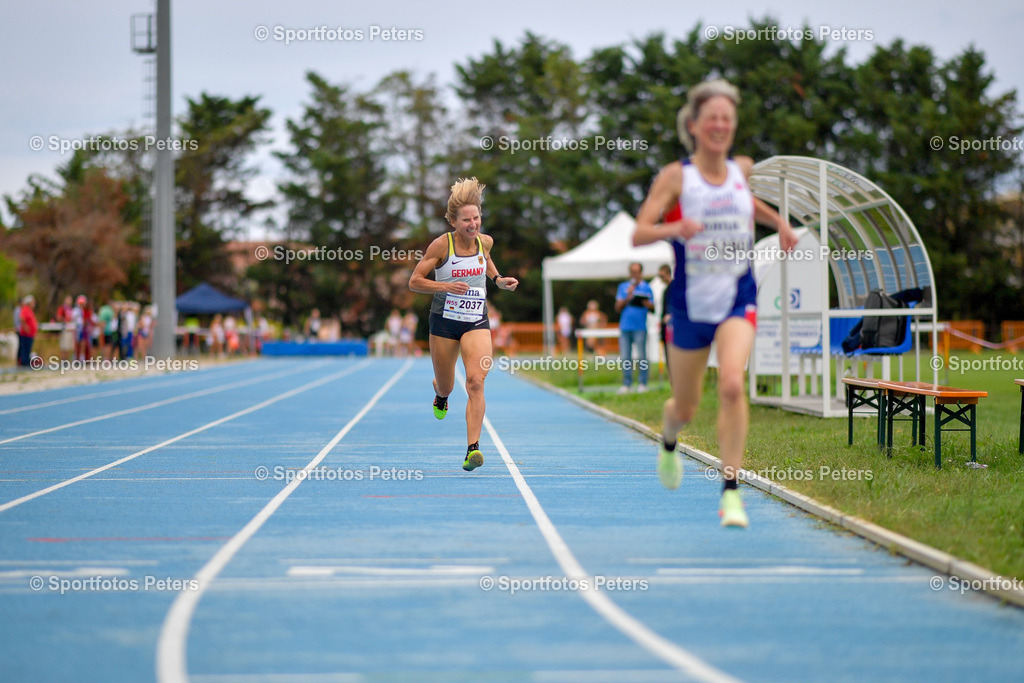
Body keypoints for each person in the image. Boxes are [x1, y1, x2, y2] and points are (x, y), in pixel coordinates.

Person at [632, 79, 798, 528]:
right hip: (688, 306)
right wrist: (675, 228)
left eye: (727, 118)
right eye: (712, 119)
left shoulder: (742, 167)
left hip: (736, 297)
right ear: (694, 125)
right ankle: (669, 441)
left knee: (730, 385)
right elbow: (639, 232)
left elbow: (750, 205)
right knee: (684, 408)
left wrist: (779, 222)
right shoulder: (676, 177)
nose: (720, 125)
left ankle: (730, 493)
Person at [409, 177, 519, 471]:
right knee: (447, 385)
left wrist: (498, 281)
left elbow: (488, 259)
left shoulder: (485, 242)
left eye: (477, 218)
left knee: (475, 381)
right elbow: (415, 282)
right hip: (444, 322)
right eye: (466, 220)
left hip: (476, 321)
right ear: (453, 222)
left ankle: (473, 449)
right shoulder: (440, 246)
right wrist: (445, 287)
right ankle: (440, 393)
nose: (473, 224)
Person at [615, 262, 654, 393]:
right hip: (625, 327)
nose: (634, 274)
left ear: (641, 273)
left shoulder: (647, 288)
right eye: (632, 272)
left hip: (640, 327)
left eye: (637, 272)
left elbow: (653, 308)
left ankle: (643, 383)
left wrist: (645, 303)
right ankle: (627, 384)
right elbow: (618, 308)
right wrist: (628, 296)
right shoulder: (623, 287)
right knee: (626, 357)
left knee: (642, 356)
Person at [16, 296, 37, 367]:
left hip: (30, 334)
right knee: (25, 349)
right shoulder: (25, 309)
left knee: (28, 349)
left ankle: (26, 361)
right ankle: (24, 362)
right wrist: (26, 327)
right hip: (25, 334)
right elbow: (22, 319)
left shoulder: (29, 310)